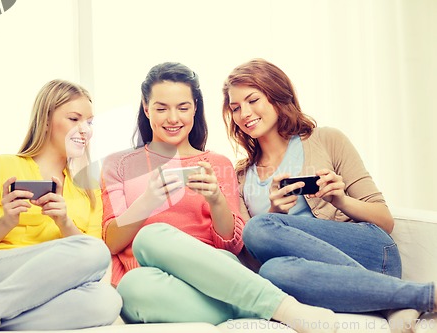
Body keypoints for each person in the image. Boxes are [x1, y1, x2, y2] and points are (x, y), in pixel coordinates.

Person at [101, 62, 338, 333]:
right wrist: (147, 202)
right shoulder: (118, 164)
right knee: (132, 284)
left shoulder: (218, 163)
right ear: (146, 108)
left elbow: (232, 244)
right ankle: (254, 304)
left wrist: (216, 200)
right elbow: (110, 241)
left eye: (183, 107)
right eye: (161, 108)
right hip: (151, 280)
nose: (173, 118)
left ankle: (285, 308)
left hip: (218, 270)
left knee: (151, 235)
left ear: (195, 109)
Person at [222, 58, 436, 332]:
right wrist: (275, 213)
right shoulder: (240, 176)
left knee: (258, 226)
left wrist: (340, 200)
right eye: (235, 107)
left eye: (253, 100)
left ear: (276, 96)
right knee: (270, 271)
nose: (244, 113)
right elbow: (251, 257)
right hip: (321, 276)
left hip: (371, 254)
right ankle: (400, 297)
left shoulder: (327, 140)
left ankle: (408, 294)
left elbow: (384, 219)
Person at [0, 79, 122, 333]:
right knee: (95, 251)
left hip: (45, 291)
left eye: (89, 123)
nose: (85, 130)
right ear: (46, 120)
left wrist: (64, 223)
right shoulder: (0, 166)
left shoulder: (88, 189)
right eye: (74, 119)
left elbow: (94, 265)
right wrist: (5, 222)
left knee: (107, 301)